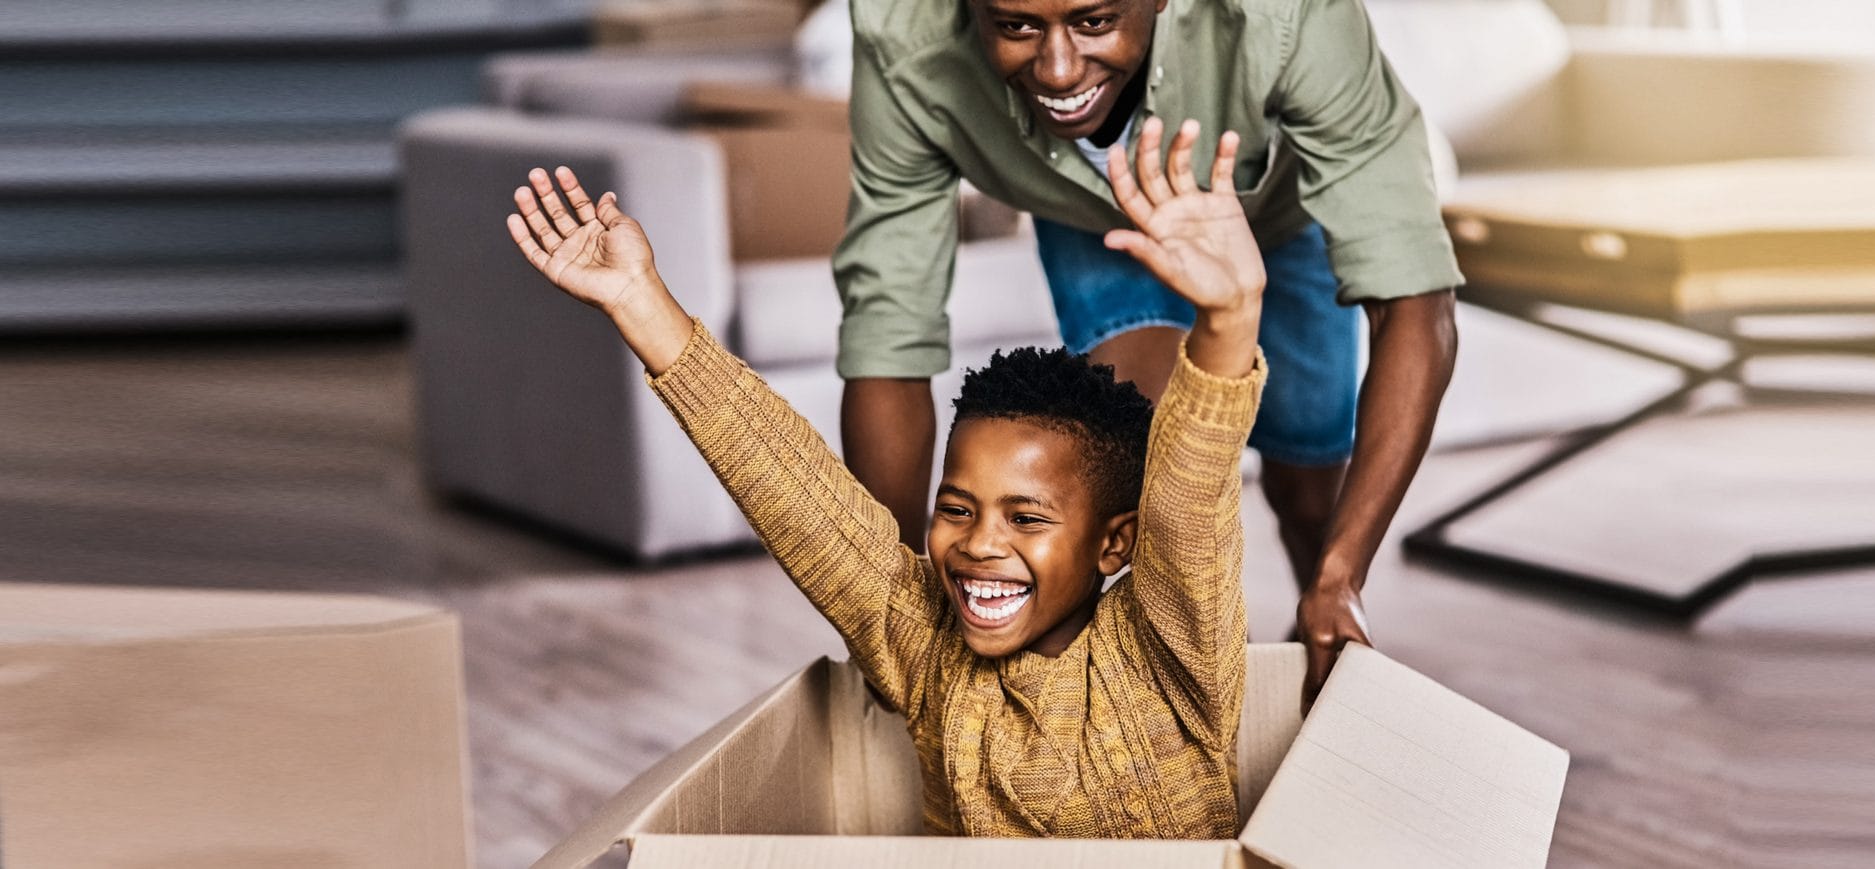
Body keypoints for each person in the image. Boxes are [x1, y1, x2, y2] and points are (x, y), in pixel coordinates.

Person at [504, 125, 1266, 836]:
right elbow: (799, 495)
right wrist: (642, 302)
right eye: (956, 507)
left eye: (1026, 518)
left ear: (1114, 543)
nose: (978, 544)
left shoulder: (1170, 647)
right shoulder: (930, 649)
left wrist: (1230, 318)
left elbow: (1192, 498)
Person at [831, 0, 1461, 703]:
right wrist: (890, 606)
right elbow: (888, 333)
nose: (1060, 68)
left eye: (1095, 21)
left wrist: (1340, 576)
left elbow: (1414, 296)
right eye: (1017, 27)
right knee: (1138, 479)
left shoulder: (1289, 14)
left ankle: (1324, 641)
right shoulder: (901, 35)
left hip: (1278, 218)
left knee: (1309, 496)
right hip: (1091, 217)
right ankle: (1113, 726)